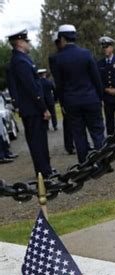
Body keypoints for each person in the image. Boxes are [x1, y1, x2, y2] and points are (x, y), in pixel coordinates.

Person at [53, 24, 105, 164]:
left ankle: (84, 163)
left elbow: (59, 84)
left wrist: (63, 103)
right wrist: (99, 97)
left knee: (79, 133)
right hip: (90, 98)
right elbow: (96, 78)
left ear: (62, 38)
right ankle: (102, 161)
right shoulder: (86, 54)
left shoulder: (59, 58)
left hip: (71, 101)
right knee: (97, 131)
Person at [7, 29, 53, 177]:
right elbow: (31, 88)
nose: (28, 44)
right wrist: (43, 108)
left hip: (32, 108)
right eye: (26, 41)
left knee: (40, 141)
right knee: (37, 142)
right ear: (20, 43)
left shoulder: (22, 59)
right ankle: (44, 172)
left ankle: (46, 170)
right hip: (32, 109)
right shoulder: (20, 61)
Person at [49, 31, 75, 154]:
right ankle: (69, 145)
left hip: (74, 91)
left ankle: (77, 143)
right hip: (65, 93)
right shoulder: (55, 58)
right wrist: (62, 100)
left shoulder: (68, 54)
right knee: (68, 120)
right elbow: (58, 80)